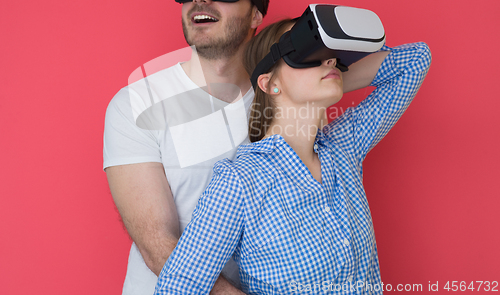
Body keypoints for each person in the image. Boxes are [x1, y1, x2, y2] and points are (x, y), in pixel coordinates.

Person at [154, 18, 432, 294]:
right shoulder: (240, 183)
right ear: (269, 83)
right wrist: (314, 78)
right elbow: (178, 287)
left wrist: (326, 71)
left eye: (330, 54)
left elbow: (416, 59)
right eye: (306, 51)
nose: (329, 60)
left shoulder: (343, 149)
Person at [103, 0, 271, 295]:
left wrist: (308, 52)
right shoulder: (137, 103)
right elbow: (157, 244)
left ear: (256, 14)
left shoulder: (283, 101)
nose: (199, 0)